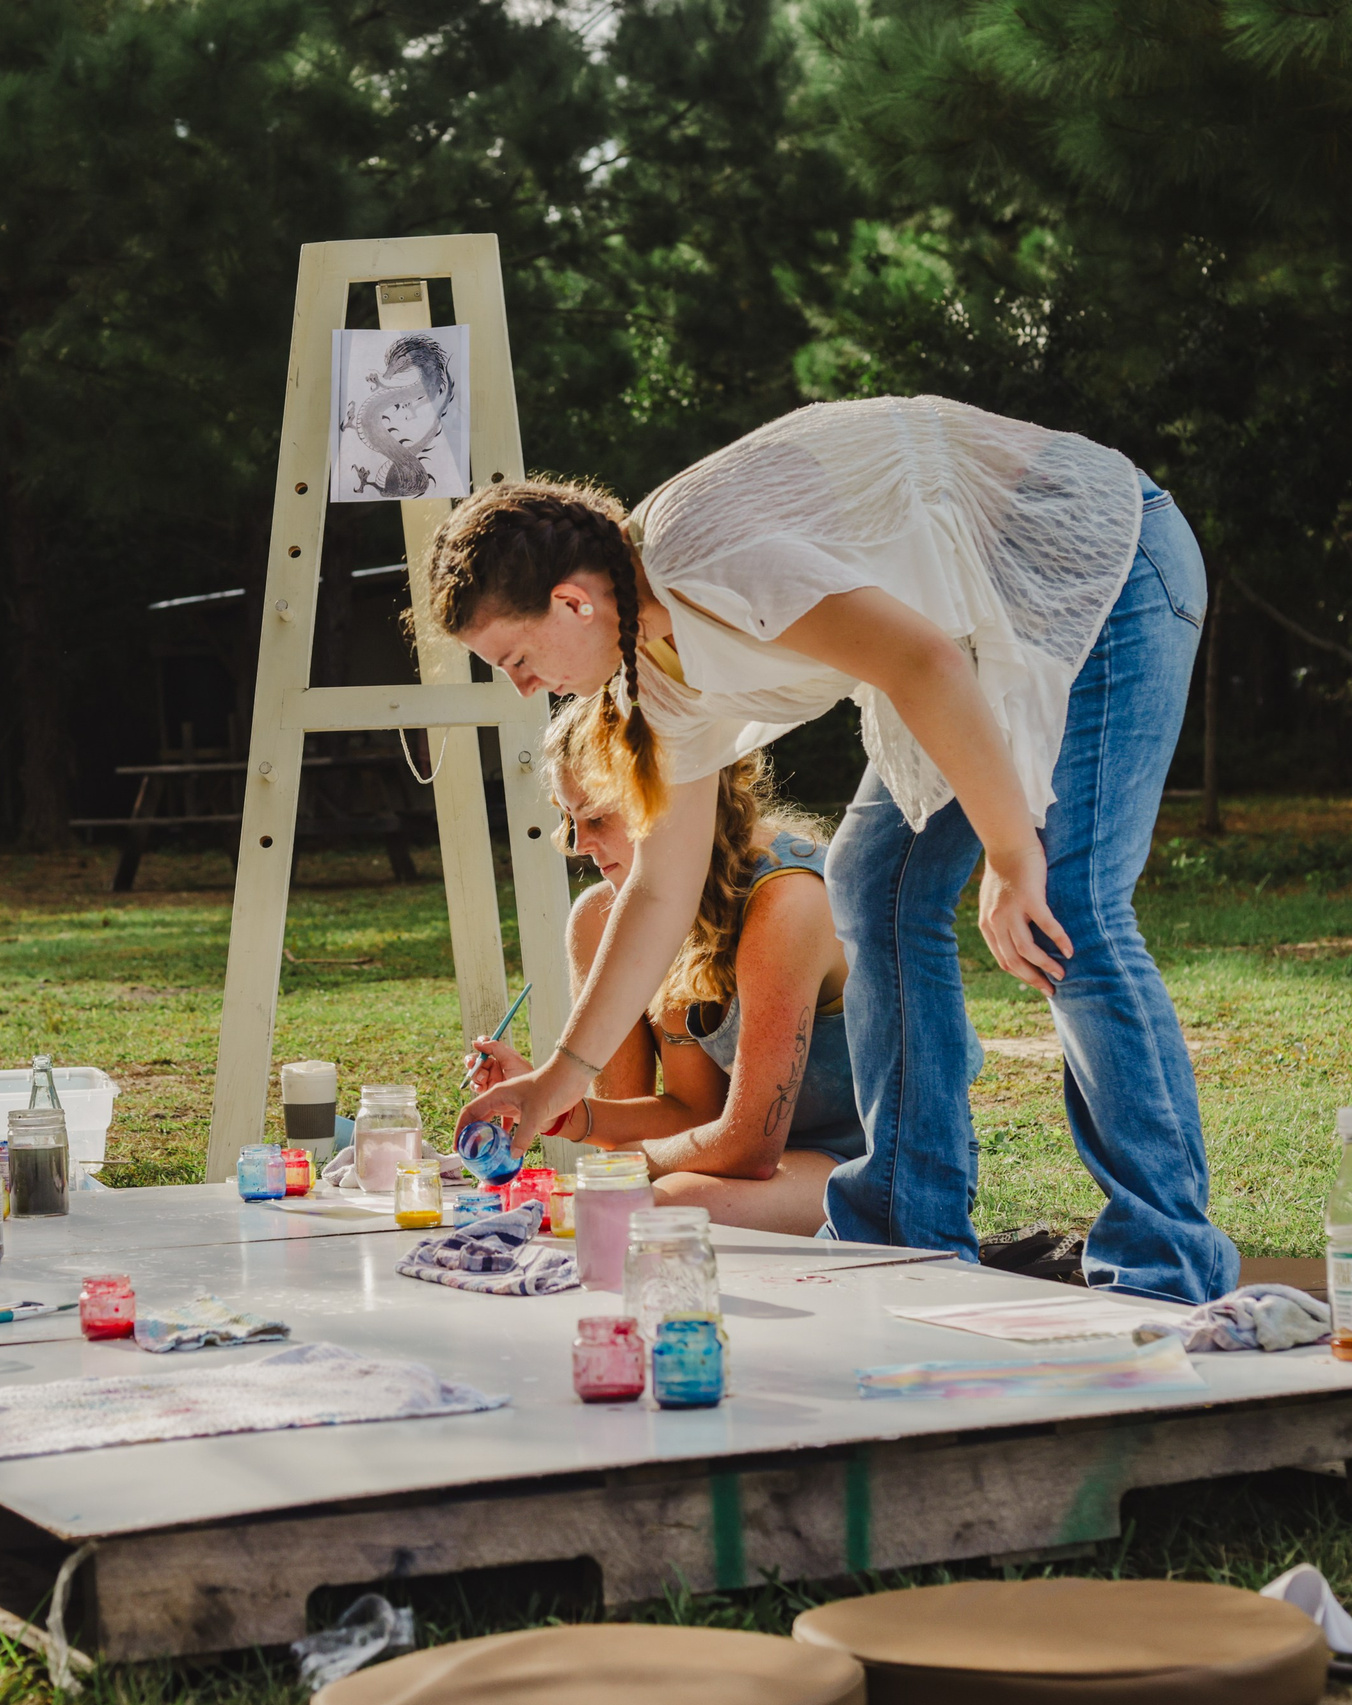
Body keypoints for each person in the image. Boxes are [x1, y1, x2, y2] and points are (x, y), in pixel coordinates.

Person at [439, 396, 1238, 1303]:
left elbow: (923, 665)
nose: (523, 687)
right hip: (964, 634)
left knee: (1070, 906)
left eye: (515, 658)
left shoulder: (704, 559)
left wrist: (1013, 858)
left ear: (572, 601)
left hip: (1096, 562)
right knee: (873, 881)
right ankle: (909, 1228)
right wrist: (557, 1081)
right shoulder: (655, 672)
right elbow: (661, 889)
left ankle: (1167, 1264)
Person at [466, 697, 870, 1235]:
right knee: (621, 1205)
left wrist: (626, 1163)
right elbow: (691, 1112)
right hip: (743, 1160)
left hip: (862, 1163)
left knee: (641, 1210)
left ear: (666, 798)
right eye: (568, 818)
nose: (579, 844)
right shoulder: (603, 919)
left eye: (597, 817)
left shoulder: (785, 903)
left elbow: (748, 1147)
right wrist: (554, 1104)